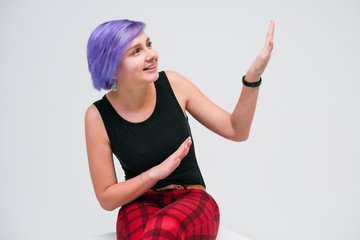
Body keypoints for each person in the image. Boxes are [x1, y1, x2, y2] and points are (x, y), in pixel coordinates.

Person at [85, 19, 275, 240]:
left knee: (163, 229)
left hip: (192, 199)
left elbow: (236, 130)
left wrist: (252, 78)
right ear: (112, 68)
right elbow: (106, 197)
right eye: (136, 51)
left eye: (149, 44)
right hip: (140, 203)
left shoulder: (174, 85)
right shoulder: (97, 116)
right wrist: (153, 175)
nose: (151, 54)